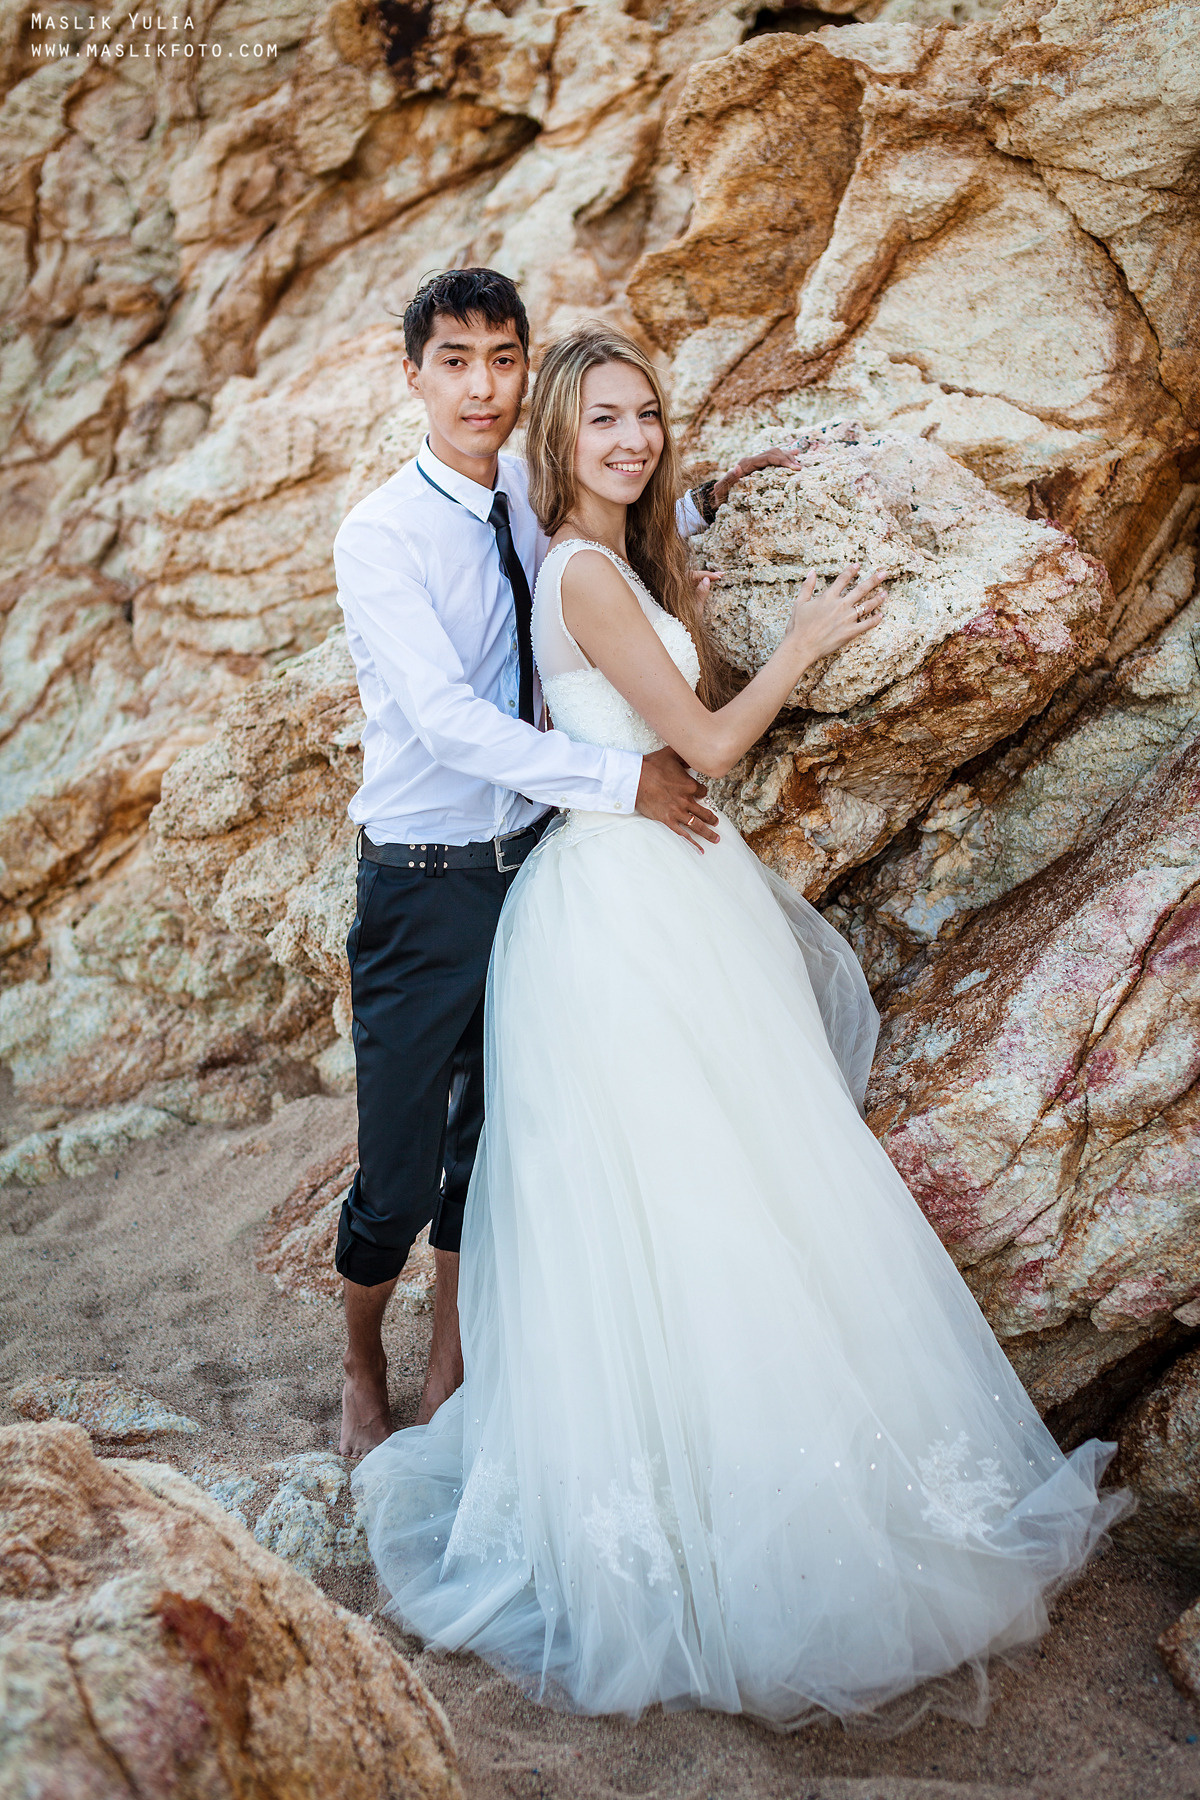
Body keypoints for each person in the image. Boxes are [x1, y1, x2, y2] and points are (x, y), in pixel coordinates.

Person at [352, 322, 1128, 1728]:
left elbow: (654, 618)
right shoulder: (582, 573)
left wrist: (705, 527)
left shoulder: (612, 559)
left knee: (744, 1179)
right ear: (559, 438)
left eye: (647, 415)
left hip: (670, 894)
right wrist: (813, 642)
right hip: (616, 913)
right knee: (682, 1196)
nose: (632, 438)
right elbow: (703, 750)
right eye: (602, 420)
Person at [334, 268, 804, 1455]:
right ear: (415, 377)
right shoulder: (381, 533)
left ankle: (450, 1360)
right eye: (455, 360)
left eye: (503, 359)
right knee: (395, 1162)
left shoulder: (526, 509)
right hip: (425, 875)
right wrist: (623, 782)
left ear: (523, 372)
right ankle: (357, 1362)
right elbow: (444, 719)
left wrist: (709, 498)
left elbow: (615, 535)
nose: (481, 385)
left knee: (493, 1140)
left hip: (533, 866)